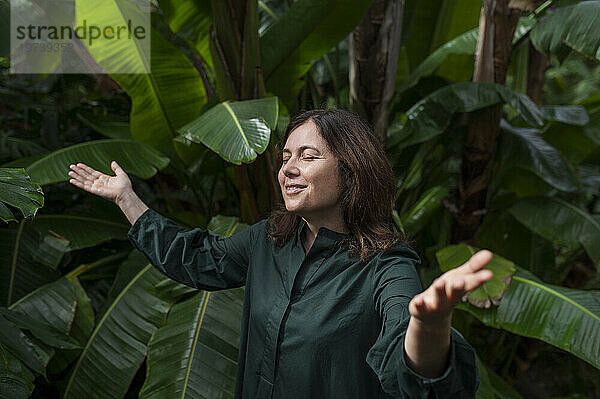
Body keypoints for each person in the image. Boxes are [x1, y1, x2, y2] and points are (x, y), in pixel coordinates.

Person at [68, 108, 494, 399]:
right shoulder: (269, 239)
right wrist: (127, 199)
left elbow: (409, 361)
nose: (288, 168)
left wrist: (430, 325)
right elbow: (197, 258)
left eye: (308, 157)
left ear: (351, 173)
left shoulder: (387, 266)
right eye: (286, 157)